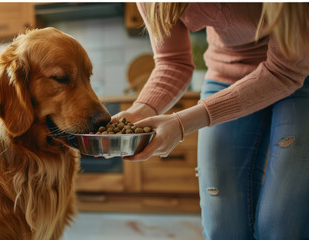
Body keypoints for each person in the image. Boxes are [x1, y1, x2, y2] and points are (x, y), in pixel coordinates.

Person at [112, 3, 309, 239]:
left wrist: (183, 123)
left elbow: (284, 71)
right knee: (221, 226)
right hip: (226, 72)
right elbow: (173, 62)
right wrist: (140, 110)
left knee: (281, 227)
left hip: (299, 67)